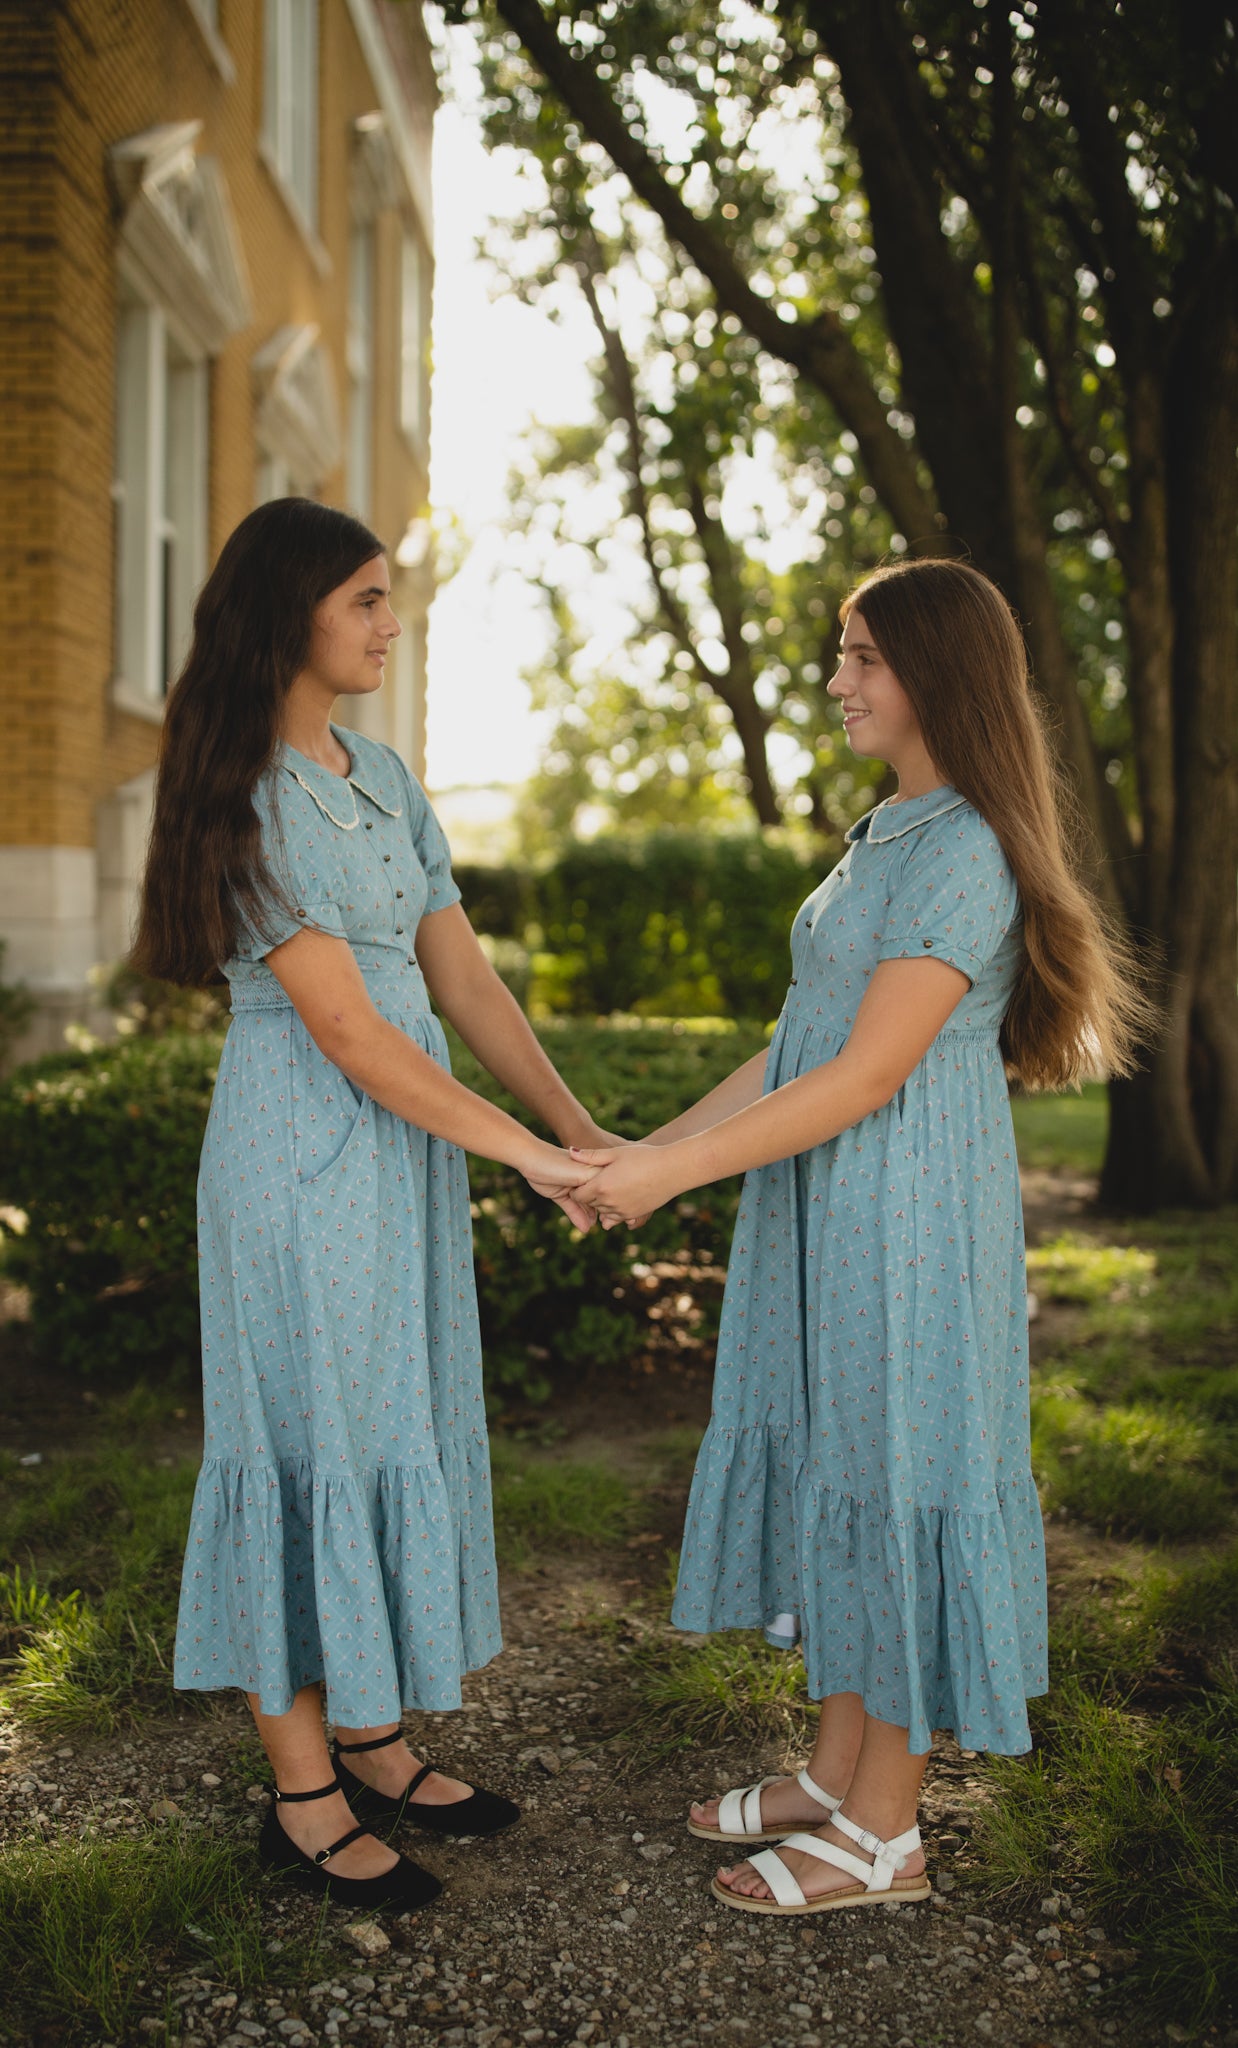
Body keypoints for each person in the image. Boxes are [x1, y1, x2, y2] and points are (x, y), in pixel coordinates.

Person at [573, 557, 1150, 1917]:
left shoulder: (964, 851)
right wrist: (641, 1154)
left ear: (935, 676)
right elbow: (798, 1047)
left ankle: (886, 1833)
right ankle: (838, 1774)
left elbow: (864, 1075)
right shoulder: (887, 829)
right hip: (825, 1204)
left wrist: (673, 1179)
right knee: (843, 1461)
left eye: (860, 658)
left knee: (892, 1478)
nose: (835, 681)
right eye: (840, 654)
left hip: (898, 1215)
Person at [133, 498, 598, 1913]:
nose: (393, 625)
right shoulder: (246, 792)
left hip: (400, 1156)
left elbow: (457, 981)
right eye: (369, 602)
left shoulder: (384, 777)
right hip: (299, 1155)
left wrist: (571, 1124)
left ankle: (374, 1735)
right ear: (294, 616)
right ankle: (301, 1795)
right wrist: (515, 1156)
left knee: (387, 1423)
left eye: (391, 600)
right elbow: (347, 1033)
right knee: (301, 1448)